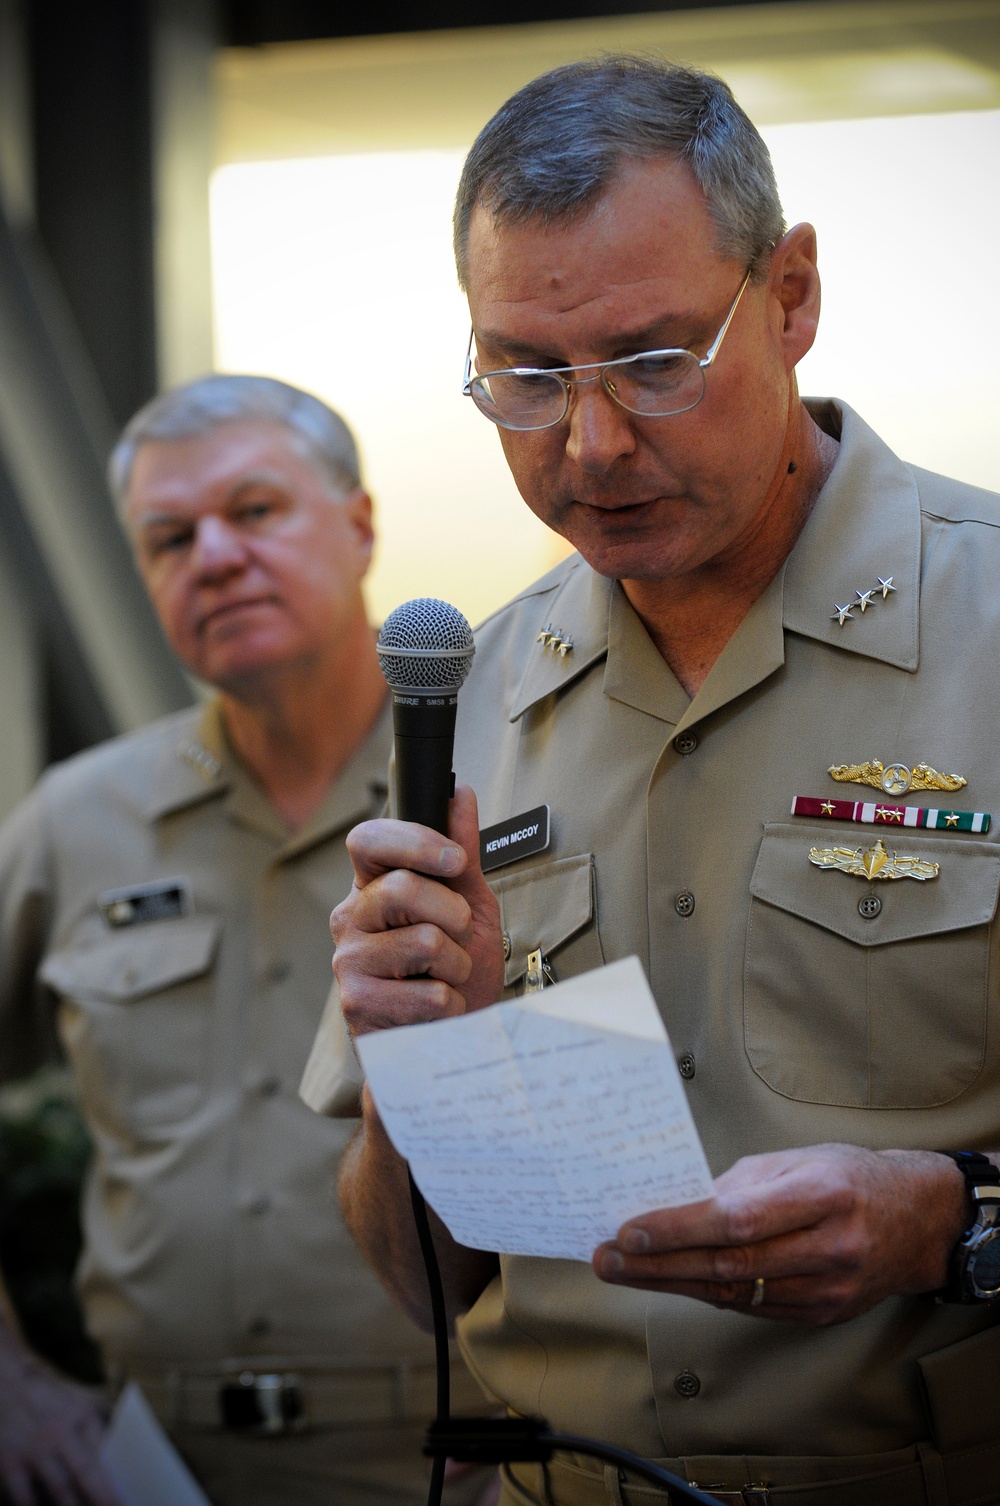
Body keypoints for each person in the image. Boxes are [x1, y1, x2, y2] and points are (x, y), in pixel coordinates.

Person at [318, 58, 1000, 1506]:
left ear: (794, 296)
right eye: (523, 376)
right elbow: (423, 1285)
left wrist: (953, 1223)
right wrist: (407, 1075)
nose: (591, 444)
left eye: (652, 361)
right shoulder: (467, 704)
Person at [0, 375, 488, 1506]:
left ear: (360, 524)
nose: (212, 555)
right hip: (145, 1469)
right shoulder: (80, 818)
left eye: (254, 510)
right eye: (168, 538)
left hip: (455, 1465)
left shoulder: (505, 779)